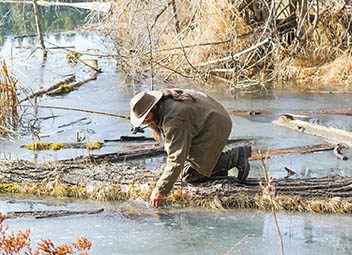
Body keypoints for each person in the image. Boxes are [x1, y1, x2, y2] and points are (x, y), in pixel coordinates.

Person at [129, 88, 251, 208]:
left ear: (153, 107)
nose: (144, 122)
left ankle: (235, 156)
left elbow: (176, 159)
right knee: (190, 164)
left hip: (214, 125)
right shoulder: (164, 101)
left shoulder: (174, 120)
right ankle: (213, 165)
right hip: (212, 114)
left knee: (189, 175)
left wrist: (160, 190)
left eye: (146, 118)